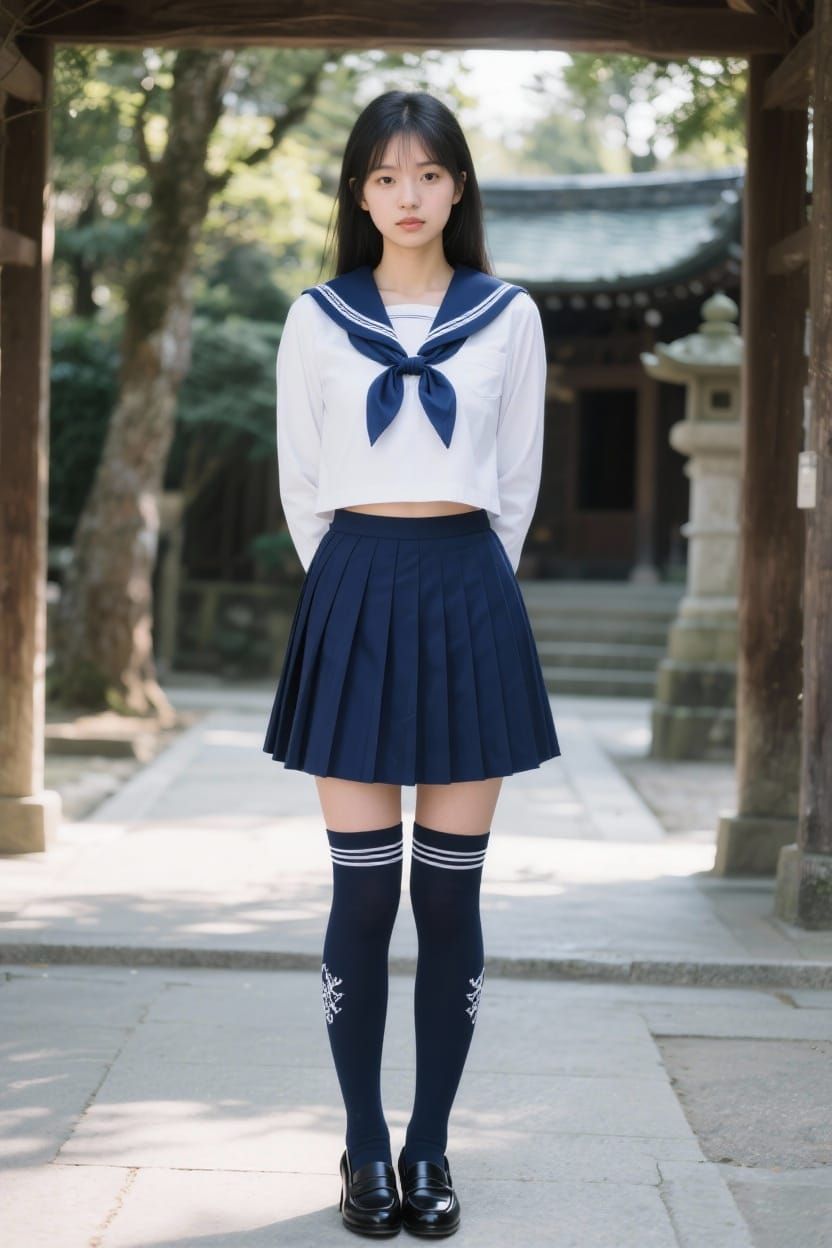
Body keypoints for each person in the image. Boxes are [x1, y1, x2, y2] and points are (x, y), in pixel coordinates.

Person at [262, 88, 561, 1238]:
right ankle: (360, 1147)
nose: (407, 196)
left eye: (427, 175)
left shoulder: (507, 315)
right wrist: (349, 591)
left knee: (449, 894)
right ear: (357, 191)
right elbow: (300, 480)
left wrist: (466, 587)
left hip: (467, 584)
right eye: (385, 177)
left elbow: (519, 480)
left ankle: (431, 1146)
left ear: (458, 187)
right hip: (354, 581)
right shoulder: (314, 317)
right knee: (362, 889)